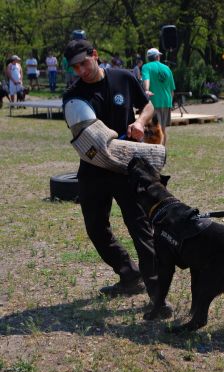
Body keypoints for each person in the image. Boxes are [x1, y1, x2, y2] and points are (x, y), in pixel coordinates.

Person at [62, 39, 172, 316]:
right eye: (75, 67)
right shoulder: (73, 96)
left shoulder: (123, 77)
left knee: (141, 229)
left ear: (95, 56)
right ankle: (128, 274)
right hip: (93, 168)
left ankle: (157, 296)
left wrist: (139, 122)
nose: (81, 70)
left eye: (84, 63)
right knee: (96, 229)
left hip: (127, 168)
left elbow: (148, 107)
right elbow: (87, 136)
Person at [141, 48, 176, 145]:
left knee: (151, 130)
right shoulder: (167, 68)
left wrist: (147, 90)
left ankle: (154, 153)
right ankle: (162, 152)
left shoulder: (146, 67)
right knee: (163, 129)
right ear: (157, 56)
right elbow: (172, 89)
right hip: (166, 102)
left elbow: (146, 80)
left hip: (153, 102)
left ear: (148, 58)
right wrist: (170, 103)